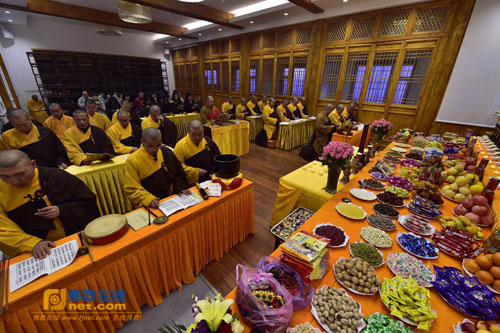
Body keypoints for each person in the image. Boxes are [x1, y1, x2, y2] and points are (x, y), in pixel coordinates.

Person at [0, 150, 99, 258]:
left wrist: (61, 210)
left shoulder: (57, 177)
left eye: (20, 174)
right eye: (5, 177)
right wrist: (31, 243)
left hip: (73, 240)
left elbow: (88, 202)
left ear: (33, 164)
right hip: (35, 252)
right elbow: (2, 228)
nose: (14, 182)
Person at [124, 128, 190, 209]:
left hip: (172, 199)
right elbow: (132, 188)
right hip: (153, 204)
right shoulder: (133, 160)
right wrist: (148, 199)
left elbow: (178, 173)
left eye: (158, 145)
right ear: (142, 142)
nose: (155, 149)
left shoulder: (166, 152)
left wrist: (180, 187)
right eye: (150, 146)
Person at [2, 109, 69, 168]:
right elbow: (10, 159)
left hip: (52, 168)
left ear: (30, 119)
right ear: (12, 124)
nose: (22, 127)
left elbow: (60, 151)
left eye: (24, 124)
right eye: (17, 126)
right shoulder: (7, 136)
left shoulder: (45, 132)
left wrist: (61, 162)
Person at [174, 120, 221, 185]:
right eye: (193, 135)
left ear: (203, 131)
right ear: (188, 132)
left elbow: (218, 158)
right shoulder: (180, 146)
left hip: (210, 179)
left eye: (200, 134)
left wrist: (214, 172)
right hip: (193, 183)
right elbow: (177, 166)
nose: (197, 138)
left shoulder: (207, 141)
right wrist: (195, 172)